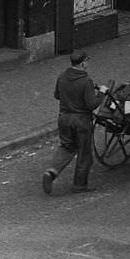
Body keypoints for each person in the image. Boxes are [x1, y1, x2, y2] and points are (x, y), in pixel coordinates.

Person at [42, 50, 107, 195]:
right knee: (84, 153)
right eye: (87, 61)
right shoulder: (86, 81)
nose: (88, 63)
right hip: (81, 121)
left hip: (64, 119)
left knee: (67, 147)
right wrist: (101, 93)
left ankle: (51, 172)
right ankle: (79, 185)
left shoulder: (62, 77)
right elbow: (91, 104)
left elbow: (57, 95)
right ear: (83, 63)